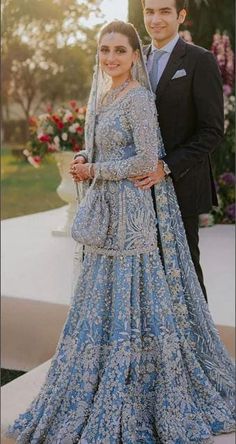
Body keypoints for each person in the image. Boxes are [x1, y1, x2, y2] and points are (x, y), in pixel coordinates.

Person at [6, 21, 235, 443]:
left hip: (132, 219)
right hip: (105, 218)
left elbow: (146, 161)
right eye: (104, 50)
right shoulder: (104, 95)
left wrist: (94, 170)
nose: (110, 58)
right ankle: (96, 377)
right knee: (101, 299)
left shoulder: (139, 99)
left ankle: (139, 387)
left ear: (134, 57)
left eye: (119, 51)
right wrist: (83, 156)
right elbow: (105, 148)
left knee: (135, 301)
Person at [128, 0, 224, 302]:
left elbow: (212, 130)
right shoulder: (136, 61)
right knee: (146, 273)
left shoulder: (200, 60)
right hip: (140, 189)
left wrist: (165, 166)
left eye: (164, 11)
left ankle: (199, 345)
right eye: (149, 12)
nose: (156, 19)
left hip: (181, 184)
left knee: (184, 271)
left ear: (181, 15)